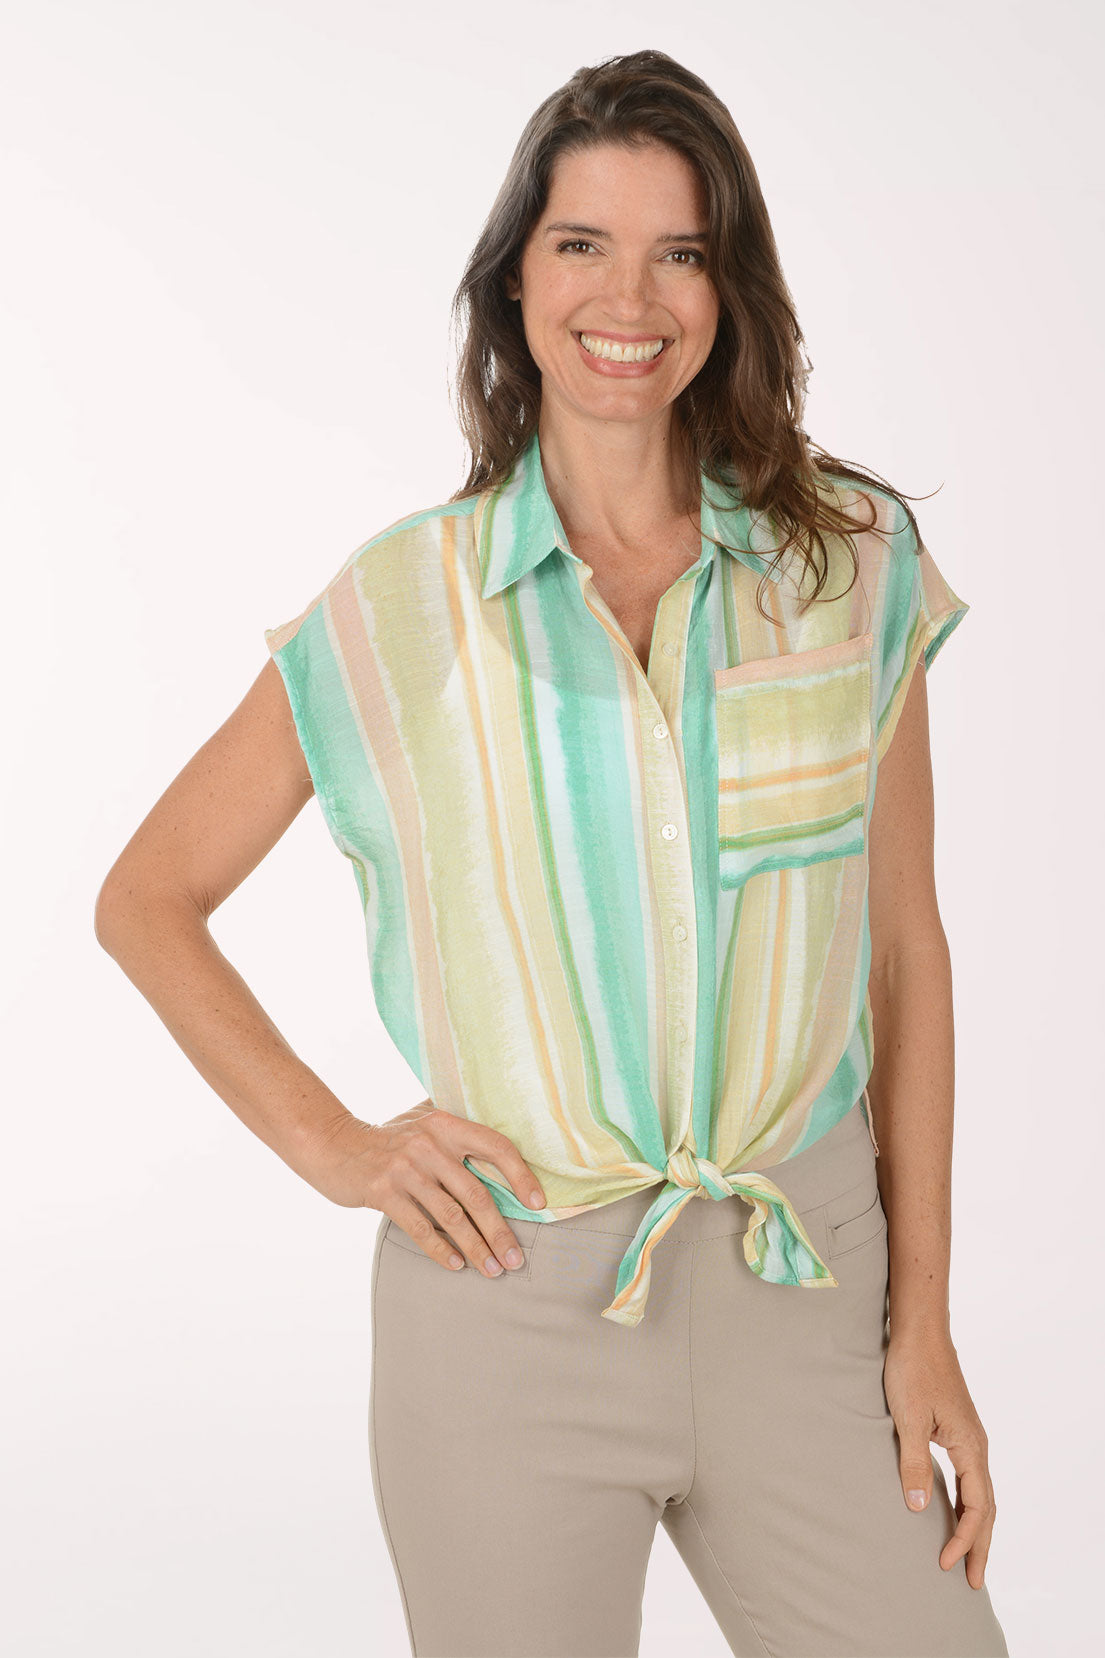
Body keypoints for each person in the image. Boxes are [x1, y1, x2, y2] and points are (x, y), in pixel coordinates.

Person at [95, 47, 1011, 1658]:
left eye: (680, 249)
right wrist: (340, 1148)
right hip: (507, 1304)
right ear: (513, 279)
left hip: (807, 1288)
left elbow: (902, 953)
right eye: (582, 242)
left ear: (728, 287)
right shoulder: (402, 607)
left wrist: (921, 1317)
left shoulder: (848, 565)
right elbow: (149, 900)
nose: (629, 297)